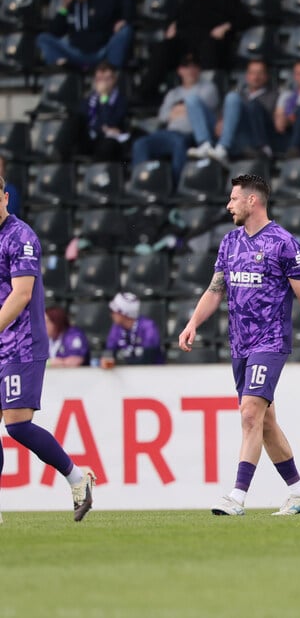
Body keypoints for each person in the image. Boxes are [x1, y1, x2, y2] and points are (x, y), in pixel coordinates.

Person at [178, 174, 300, 516]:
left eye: (234, 199)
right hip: (240, 345)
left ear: (252, 201)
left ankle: (236, 496)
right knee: (263, 421)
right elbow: (216, 289)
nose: (228, 205)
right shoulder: (230, 243)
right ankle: (298, 492)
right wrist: (192, 323)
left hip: (270, 341)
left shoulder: (283, 243)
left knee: (249, 414)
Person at [0, 173, 95, 523]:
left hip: (20, 343)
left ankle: (76, 478)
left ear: (5, 197)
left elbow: (21, 294)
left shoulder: (21, 237)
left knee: (18, 425)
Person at [136, 0, 254, 101]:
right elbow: (174, 19)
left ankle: (206, 96)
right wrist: (171, 26)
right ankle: (146, 94)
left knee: (208, 47)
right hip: (185, 45)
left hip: (212, 45)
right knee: (163, 48)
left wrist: (227, 26)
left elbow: (246, 19)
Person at [131, 54, 220, 183]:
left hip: (191, 133)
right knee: (140, 144)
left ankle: (176, 185)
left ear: (199, 70)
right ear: (180, 70)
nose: (190, 71)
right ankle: (142, 182)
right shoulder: (173, 93)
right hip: (169, 132)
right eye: (186, 67)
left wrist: (177, 109)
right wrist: (184, 109)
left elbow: (200, 107)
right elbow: (163, 116)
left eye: (194, 67)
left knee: (178, 143)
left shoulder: (208, 88)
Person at [189, 60, 279, 162]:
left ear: (266, 76)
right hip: (224, 133)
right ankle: (204, 144)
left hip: (248, 138)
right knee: (192, 100)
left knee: (232, 97)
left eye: (260, 73)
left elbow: (266, 122)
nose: (256, 77)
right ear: (247, 76)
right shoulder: (240, 93)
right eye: (252, 73)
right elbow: (221, 113)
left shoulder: (273, 96)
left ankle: (223, 147)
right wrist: (221, 120)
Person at [36, 0, 133, 71]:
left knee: (125, 31)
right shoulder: (69, 6)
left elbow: (122, 10)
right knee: (43, 38)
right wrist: (64, 8)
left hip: (102, 52)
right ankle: (64, 66)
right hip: (76, 53)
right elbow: (55, 32)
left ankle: (112, 71)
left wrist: (122, 22)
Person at [81, 62, 128, 162]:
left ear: (114, 80)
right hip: (91, 137)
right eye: (100, 79)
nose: (103, 83)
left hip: (109, 140)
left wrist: (104, 97)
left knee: (106, 145)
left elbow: (110, 122)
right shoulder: (89, 100)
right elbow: (86, 120)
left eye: (107, 79)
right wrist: (100, 127)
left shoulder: (121, 100)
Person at [101, 292, 164, 367]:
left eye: (113, 311)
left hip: (152, 374)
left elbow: (148, 359)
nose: (111, 314)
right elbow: (109, 353)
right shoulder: (116, 327)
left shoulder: (148, 327)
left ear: (125, 313)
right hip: (125, 374)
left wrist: (119, 362)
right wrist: (106, 360)